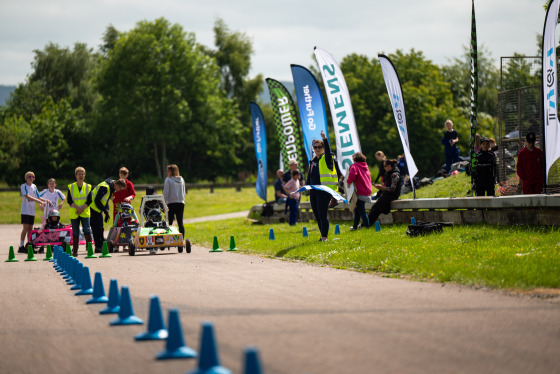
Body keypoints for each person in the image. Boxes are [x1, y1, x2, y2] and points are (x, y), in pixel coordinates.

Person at [306, 130, 338, 242]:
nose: (317, 149)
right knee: (317, 215)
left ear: (323, 148)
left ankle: (325, 237)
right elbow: (309, 176)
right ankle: (322, 236)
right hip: (314, 191)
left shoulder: (327, 158)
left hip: (324, 190)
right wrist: (307, 187)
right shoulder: (313, 161)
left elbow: (328, 152)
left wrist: (325, 139)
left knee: (322, 214)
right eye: (315, 147)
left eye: (320, 147)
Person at [90, 178, 126, 253]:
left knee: (100, 228)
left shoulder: (111, 187)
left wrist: (107, 211)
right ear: (116, 184)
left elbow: (105, 200)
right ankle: (98, 247)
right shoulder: (105, 187)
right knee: (96, 229)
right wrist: (104, 210)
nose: (119, 191)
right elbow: (97, 201)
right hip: (92, 207)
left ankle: (100, 245)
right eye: (120, 189)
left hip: (98, 209)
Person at [18, 171, 49, 253]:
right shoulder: (23, 186)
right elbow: (27, 196)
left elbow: (38, 196)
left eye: (32, 176)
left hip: (32, 210)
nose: (31, 178)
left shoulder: (34, 186)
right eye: (29, 176)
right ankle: (21, 246)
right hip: (25, 209)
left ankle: (29, 245)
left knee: (30, 228)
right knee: (25, 227)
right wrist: (38, 201)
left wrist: (46, 200)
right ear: (26, 178)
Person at [67, 167, 93, 257]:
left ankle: (89, 249)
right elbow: (69, 200)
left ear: (84, 175)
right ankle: (75, 251)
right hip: (75, 212)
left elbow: (89, 200)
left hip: (84, 212)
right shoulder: (71, 187)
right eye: (79, 174)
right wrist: (77, 208)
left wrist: (81, 209)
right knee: (75, 232)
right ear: (76, 175)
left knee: (87, 230)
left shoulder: (88, 186)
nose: (81, 176)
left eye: (83, 174)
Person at [368, 159, 401, 225]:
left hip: (392, 195)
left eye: (385, 166)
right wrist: (380, 187)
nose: (384, 168)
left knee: (375, 208)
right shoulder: (389, 173)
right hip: (387, 194)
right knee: (376, 208)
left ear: (389, 166)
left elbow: (392, 189)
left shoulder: (395, 174)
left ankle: (366, 224)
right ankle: (367, 224)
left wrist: (382, 187)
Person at [347, 152, 372, 230]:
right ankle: (355, 227)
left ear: (355, 159)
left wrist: (348, 182)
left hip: (359, 192)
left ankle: (367, 226)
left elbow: (352, 175)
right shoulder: (365, 166)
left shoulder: (354, 166)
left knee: (361, 211)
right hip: (366, 191)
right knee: (357, 210)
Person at [163, 164, 186, 239]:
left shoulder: (168, 180)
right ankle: (181, 240)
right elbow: (184, 192)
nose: (167, 172)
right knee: (180, 223)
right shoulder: (181, 179)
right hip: (180, 203)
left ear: (172, 171)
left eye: (168, 171)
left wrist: (164, 203)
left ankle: (169, 239)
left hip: (171, 203)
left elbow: (166, 192)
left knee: (169, 223)